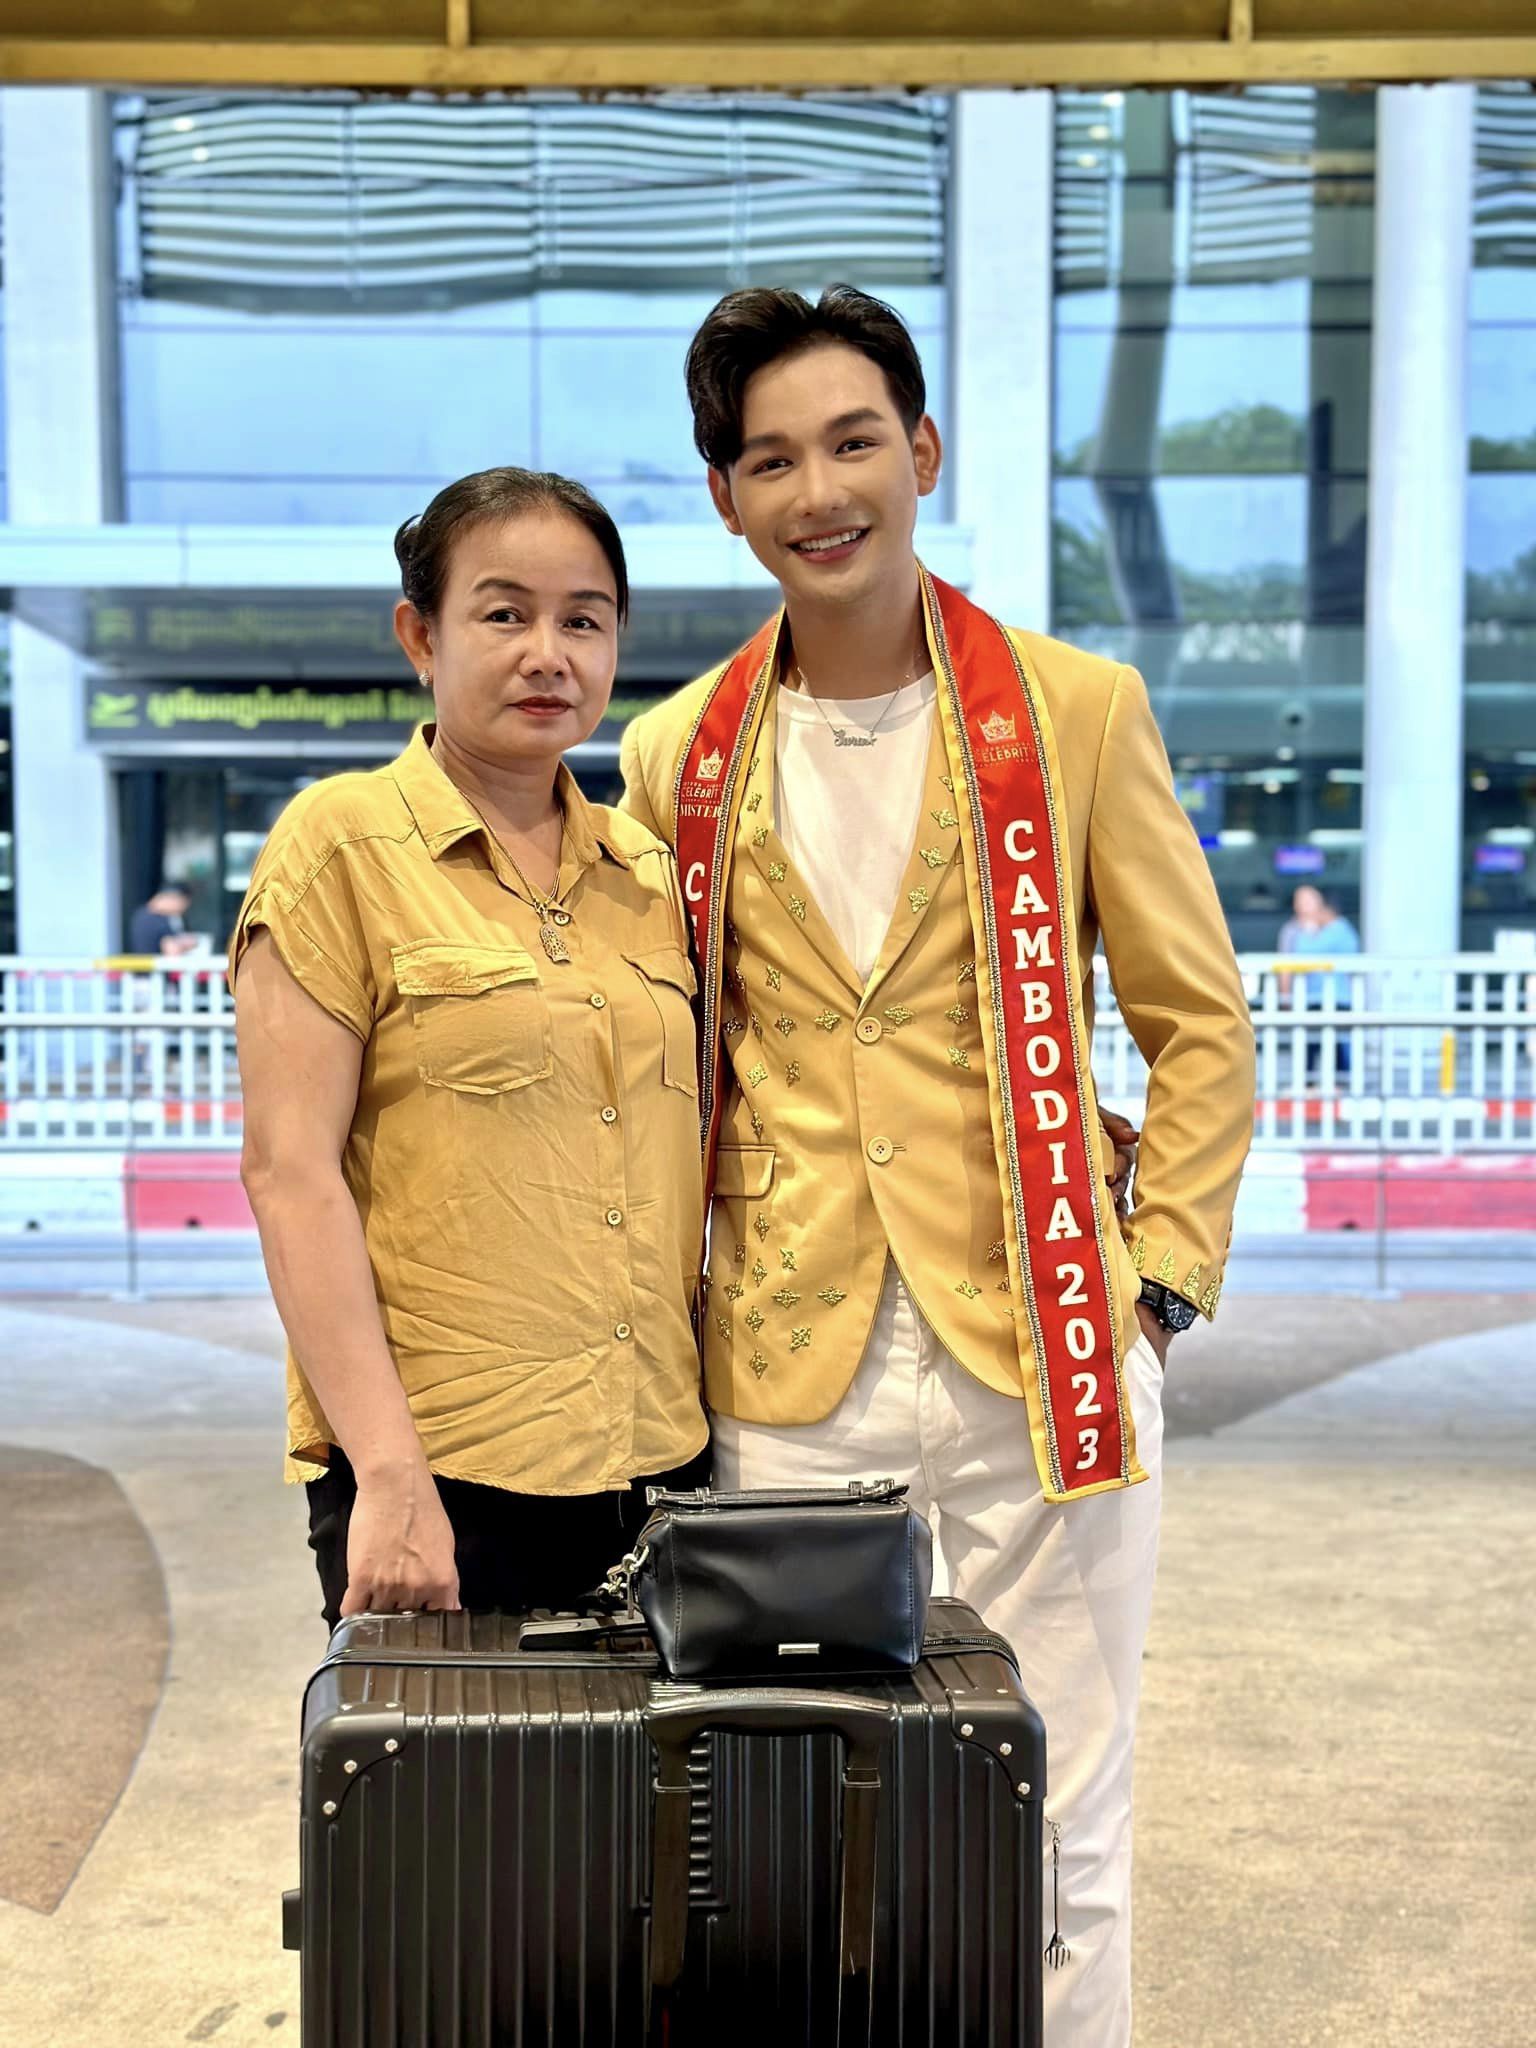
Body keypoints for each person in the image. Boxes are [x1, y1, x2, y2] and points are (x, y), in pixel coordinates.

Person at [621, 286, 1256, 2047]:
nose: (820, 490)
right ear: (726, 498)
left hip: (1042, 1346)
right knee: (790, 1827)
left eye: (852, 442)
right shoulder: (674, 755)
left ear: (923, 449)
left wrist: (1156, 1285)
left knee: (1059, 1811)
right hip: (781, 1367)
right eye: (771, 460)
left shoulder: (1076, 709)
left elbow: (1199, 1021)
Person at [232, 467, 709, 1628]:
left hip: (662, 1469)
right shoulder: (341, 846)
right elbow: (290, 1175)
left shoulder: (646, 873)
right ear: (421, 635)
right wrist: (389, 1474)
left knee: (678, 1764)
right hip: (446, 1478)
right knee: (461, 1759)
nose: (549, 653)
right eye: (504, 613)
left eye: (583, 620)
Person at [1277, 882, 1361, 1082]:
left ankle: (1338, 1084)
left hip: (1336, 999)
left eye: (1308, 901)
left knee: (1335, 1046)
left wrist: (1307, 930)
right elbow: (1287, 964)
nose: (1302, 907)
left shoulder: (1339, 930)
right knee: (1311, 1046)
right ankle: (1312, 1084)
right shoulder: (1293, 929)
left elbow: (1305, 954)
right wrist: (1286, 996)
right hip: (1311, 999)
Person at [129, 882, 198, 957]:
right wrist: (185, 944)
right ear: (175, 899)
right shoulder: (158, 921)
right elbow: (173, 952)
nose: (182, 910)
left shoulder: (141, 914)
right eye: (183, 904)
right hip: (156, 963)